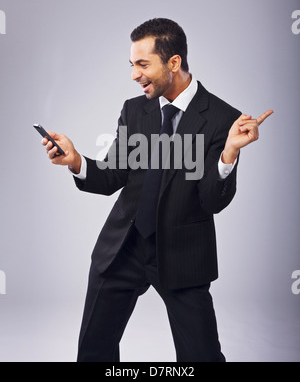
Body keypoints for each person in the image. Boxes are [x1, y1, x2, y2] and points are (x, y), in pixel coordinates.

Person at [41, 18, 273, 362]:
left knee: (202, 356)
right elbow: (112, 175)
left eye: (143, 64)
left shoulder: (224, 119)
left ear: (173, 63)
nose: (135, 74)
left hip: (183, 254)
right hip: (122, 249)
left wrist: (229, 153)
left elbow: (212, 200)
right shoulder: (135, 110)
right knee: (93, 353)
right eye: (132, 64)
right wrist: (77, 161)